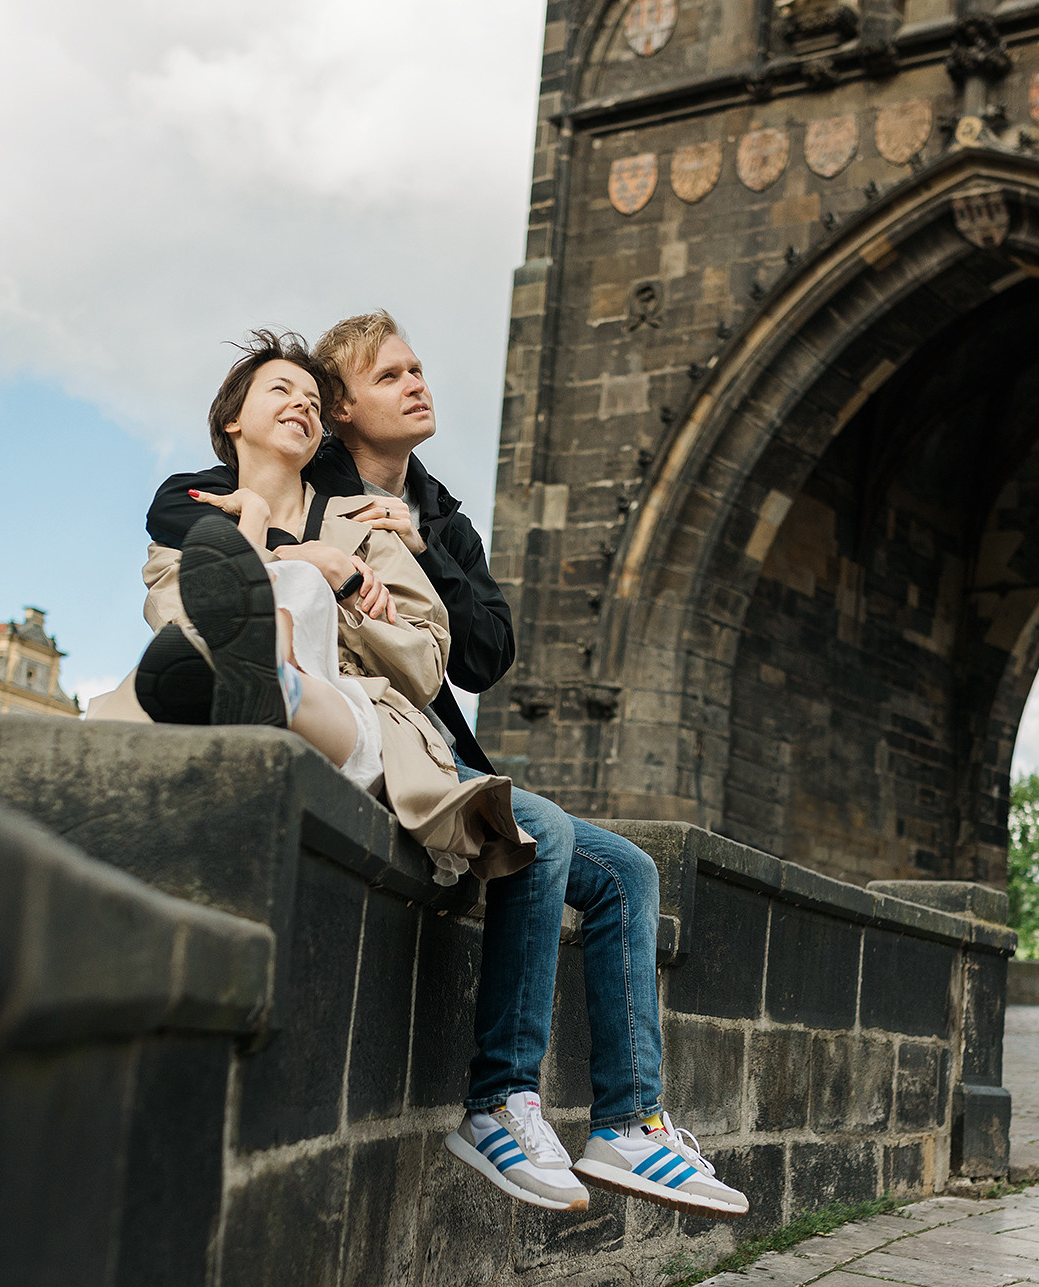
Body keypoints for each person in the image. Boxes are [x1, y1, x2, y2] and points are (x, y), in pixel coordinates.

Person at [304, 311, 748, 1220]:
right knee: (537, 830)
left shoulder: (440, 515)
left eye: (418, 367)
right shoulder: (312, 487)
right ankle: (501, 1100)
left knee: (627, 868)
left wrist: (425, 551)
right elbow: (188, 499)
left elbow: (486, 655)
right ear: (340, 406)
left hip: (436, 745)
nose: (417, 383)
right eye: (390, 376)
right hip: (367, 734)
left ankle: (630, 1123)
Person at [124, 331, 533, 882]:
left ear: (323, 431)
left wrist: (345, 591)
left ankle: (273, 679)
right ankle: (266, 675)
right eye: (280, 390)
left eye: (311, 401)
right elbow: (178, 614)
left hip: (358, 713)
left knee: (310, 624)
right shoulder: (201, 514)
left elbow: (447, 658)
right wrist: (284, 549)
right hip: (227, 688)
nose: (300, 404)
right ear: (232, 420)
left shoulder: (379, 521)